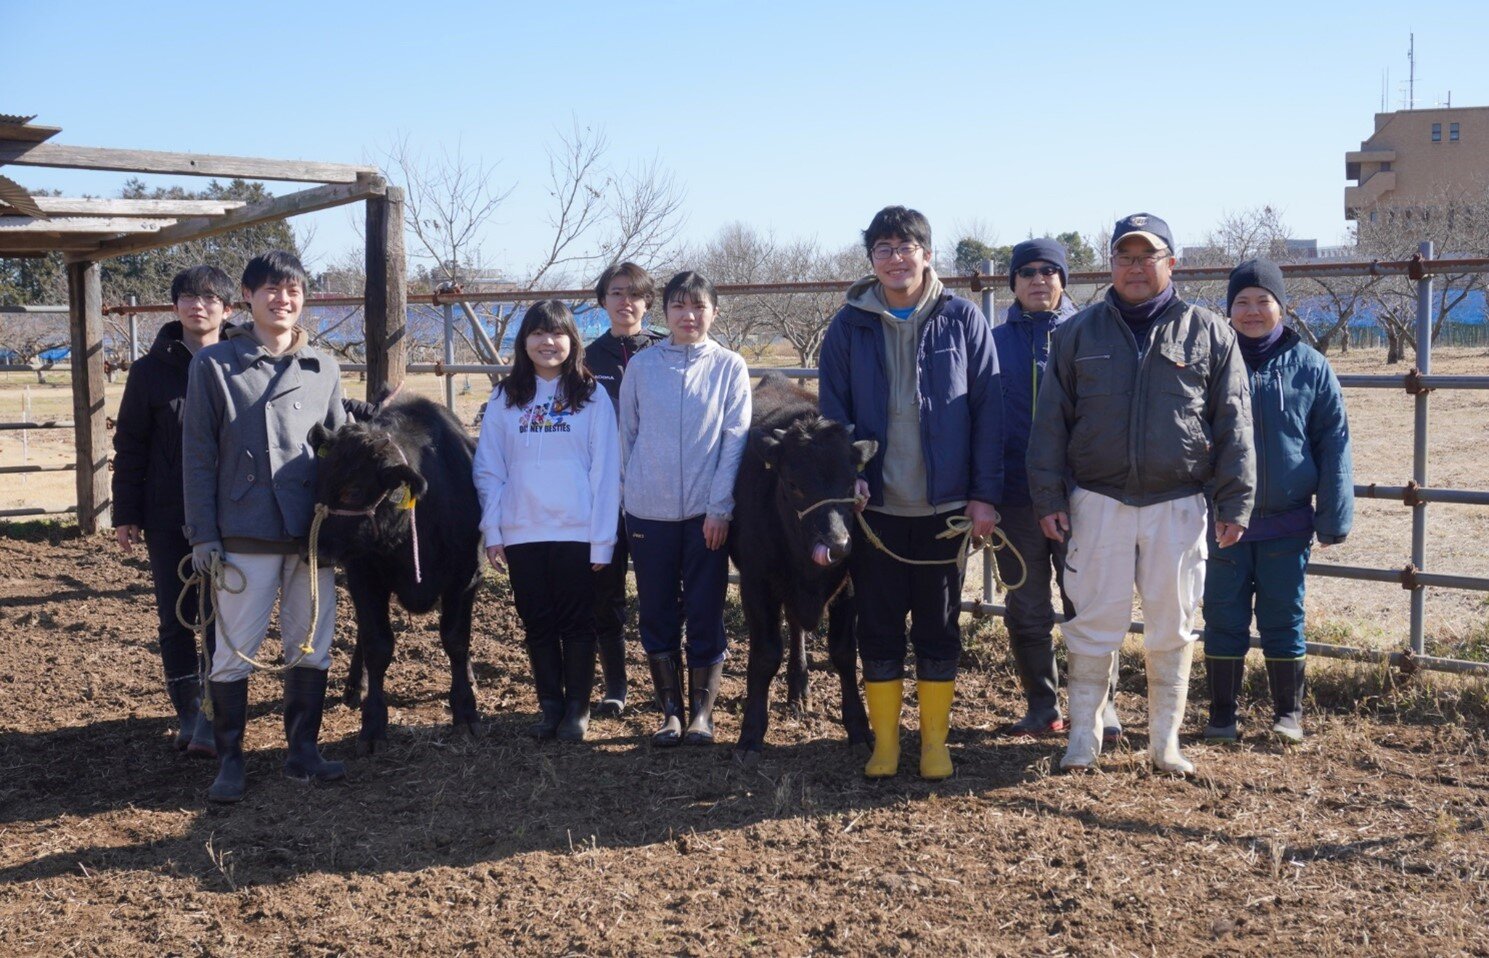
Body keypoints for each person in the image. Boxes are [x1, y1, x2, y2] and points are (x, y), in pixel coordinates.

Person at [1028, 212, 1255, 776]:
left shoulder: (1209, 331)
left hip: (1176, 502)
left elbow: (1234, 422)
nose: (1134, 268)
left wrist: (1236, 501)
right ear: (1111, 265)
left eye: (1146, 256)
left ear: (1170, 263)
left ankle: (1164, 744)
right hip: (1097, 501)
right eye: (1124, 257)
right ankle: (1082, 737)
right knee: (1092, 621)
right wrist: (1048, 498)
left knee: (1172, 624)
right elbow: (1050, 423)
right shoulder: (1076, 333)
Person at [818, 205, 1002, 780]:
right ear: (871, 259)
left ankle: (934, 743)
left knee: (938, 623)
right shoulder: (849, 325)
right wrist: (851, 480)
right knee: (876, 622)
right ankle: (886, 744)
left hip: (944, 508)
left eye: (906, 247)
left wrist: (983, 495)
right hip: (875, 509)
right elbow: (834, 412)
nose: (896, 258)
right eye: (884, 249)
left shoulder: (962, 318)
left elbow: (987, 412)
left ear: (927, 254)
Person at [182, 250, 348, 803]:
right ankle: (230, 759)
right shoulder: (215, 366)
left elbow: (338, 451)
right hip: (243, 528)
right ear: (248, 298)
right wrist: (203, 534)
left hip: (311, 536)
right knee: (234, 649)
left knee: (310, 644)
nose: (283, 300)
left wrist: (345, 528)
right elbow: (199, 456)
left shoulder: (323, 367)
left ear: (304, 298)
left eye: (293, 290)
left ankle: (303, 751)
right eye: (271, 290)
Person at [1203, 259, 1352, 745]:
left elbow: (1333, 442)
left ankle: (1288, 713)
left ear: (1282, 306)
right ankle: (1222, 714)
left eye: (1262, 301)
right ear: (1228, 311)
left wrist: (1333, 515)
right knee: (1221, 616)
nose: (1251, 311)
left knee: (1283, 616)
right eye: (1240, 302)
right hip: (1223, 522)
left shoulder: (1311, 366)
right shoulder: (1212, 361)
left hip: (1286, 523)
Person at [473, 300, 620, 743]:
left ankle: (577, 707)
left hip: (576, 530)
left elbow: (606, 470)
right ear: (524, 342)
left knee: (577, 622)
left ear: (572, 341)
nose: (547, 343)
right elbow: (489, 469)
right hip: (523, 530)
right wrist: (494, 531)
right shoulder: (504, 398)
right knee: (536, 621)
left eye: (557, 334)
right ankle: (549, 705)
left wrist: (602, 541)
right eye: (537, 333)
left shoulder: (592, 397)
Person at [619, 271, 750, 747]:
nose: (688, 316)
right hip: (646, 510)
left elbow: (734, 441)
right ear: (665, 312)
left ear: (714, 311)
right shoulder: (643, 366)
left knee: (705, 607)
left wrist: (720, 507)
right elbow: (626, 434)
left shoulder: (729, 367)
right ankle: (670, 712)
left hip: (704, 514)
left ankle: (703, 714)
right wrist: (627, 494)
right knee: (654, 609)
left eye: (698, 306)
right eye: (679, 306)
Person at [113, 265, 235, 758]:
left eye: (208, 297)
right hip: (169, 512)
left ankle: (216, 708)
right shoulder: (149, 372)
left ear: (228, 308)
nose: (196, 305)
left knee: (226, 614)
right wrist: (126, 512)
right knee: (178, 613)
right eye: (187, 296)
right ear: (175, 306)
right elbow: (132, 444)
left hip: (233, 513)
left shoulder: (243, 363)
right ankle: (190, 710)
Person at [585, 263, 666, 717]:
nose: (625, 302)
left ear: (648, 302)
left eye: (635, 294)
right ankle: (615, 683)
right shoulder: (586, 359)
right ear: (603, 300)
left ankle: (665, 683)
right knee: (605, 590)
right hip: (602, 494)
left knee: (660, 589)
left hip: (657, 489)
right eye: (616, 293)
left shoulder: (664, 350)